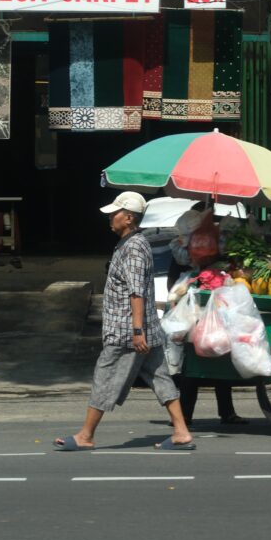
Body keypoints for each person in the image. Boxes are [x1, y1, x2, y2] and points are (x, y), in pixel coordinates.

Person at [54, 191, 194, 451]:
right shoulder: (130, 244)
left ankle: (86, 435)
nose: (110, 218)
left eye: (115, 213)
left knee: (105, 376)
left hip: (127, 331)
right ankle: (181, 432)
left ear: (129, 218)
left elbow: (136, 292)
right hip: (141, 330)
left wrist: (137, 330)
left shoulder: (134, 248)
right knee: (160, 378)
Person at [166, 206, 247, 426]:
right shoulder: (186, 250)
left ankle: (226, 412)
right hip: (194, 312)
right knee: (193, 365)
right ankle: (186, 415)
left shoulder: (215, 248)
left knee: (220, 354)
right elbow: (174, 283)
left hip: (214, 309)